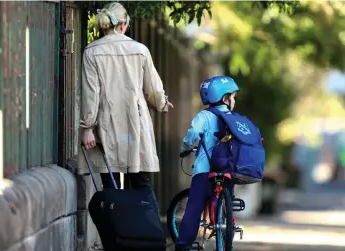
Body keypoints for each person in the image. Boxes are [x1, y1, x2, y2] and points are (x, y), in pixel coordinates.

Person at [80, 2, 173, 211]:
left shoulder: (91, 52)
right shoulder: (140, 50)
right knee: (141, 184)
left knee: (110, 187)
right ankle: (147, 234)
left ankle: (117, 237)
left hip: (107, 126)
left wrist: (87, 127)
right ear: (123, 24)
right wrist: (163, 103)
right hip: (135, 125)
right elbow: (153, 88)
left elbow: (90, 94)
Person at [175, 75, 239, 251]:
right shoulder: (235, 118)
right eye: (232, 97)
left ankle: (182, 246)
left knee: (194, 208)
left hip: (205, 170)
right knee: (227, 208)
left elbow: (192, 134)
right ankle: (227, 240)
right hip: (228, 170)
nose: (233, 101)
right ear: (224, 98)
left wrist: (185, 148)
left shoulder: (204, 115)